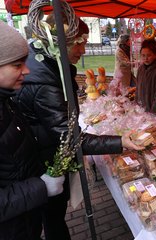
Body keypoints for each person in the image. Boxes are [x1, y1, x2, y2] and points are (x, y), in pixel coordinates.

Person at [16, 13, 143, 240]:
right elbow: (71, 137)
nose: (83, 51)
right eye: (79, 44)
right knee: (53, 218)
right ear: (59, 43)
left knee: (52, 216)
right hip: (43, 161)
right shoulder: (45, 82)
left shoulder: (45, 67)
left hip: (42, 155)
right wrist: (120, 141)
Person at [0, 21, 65, 240]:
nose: (26, 71)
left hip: (25, 223)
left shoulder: (6, 100)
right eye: (17, 65)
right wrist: (41, 187)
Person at [135, 39, 156, 113]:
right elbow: (137, 89)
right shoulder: (140, 69)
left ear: (155, 55)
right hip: (141, 110)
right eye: (143, 55)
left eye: (149, 55)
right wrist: (136, 105)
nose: (146, 58)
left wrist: (153, 112)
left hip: (152, 111)